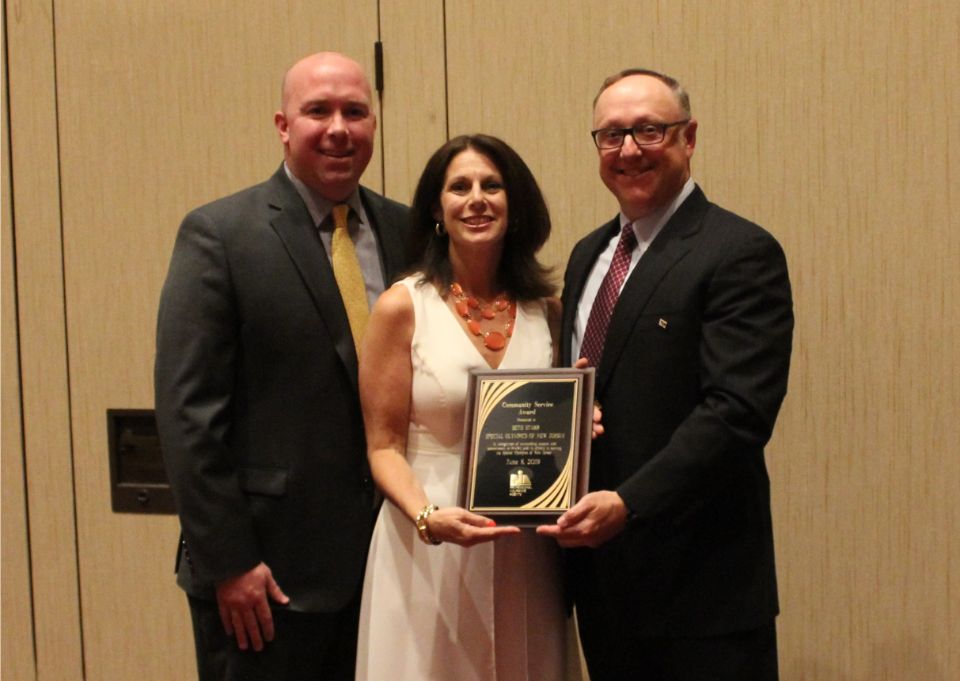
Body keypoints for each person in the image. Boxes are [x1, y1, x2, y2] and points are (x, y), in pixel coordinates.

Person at [154, 52, 410, 681]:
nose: (338, 128)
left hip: (391, 569)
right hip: (266, 580)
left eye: (355, 111)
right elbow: (189, 415)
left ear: (374, 123)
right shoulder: (221, 234)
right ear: (282, 124)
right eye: (317, 111)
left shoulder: (408, 232)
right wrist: (228, 562)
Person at [538, 69, 794, 681]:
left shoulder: (738, 252)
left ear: (689, 137)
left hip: (702, 590)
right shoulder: (587, 255)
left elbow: (737, 414)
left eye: (649, 130)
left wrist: (628, 504)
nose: (629, 150)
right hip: (602, 584)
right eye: (611, 135)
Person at [354, 134, 568, 681]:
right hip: (428, 539)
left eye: (492, 186)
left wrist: (576, 425)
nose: (477, 199)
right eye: (460, 187)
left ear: (514, 203)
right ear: (436, 208)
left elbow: (554, 424)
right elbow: (381, 446)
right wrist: (427, 517)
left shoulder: (547, 309)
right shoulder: (403, 306)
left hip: (525, 548)